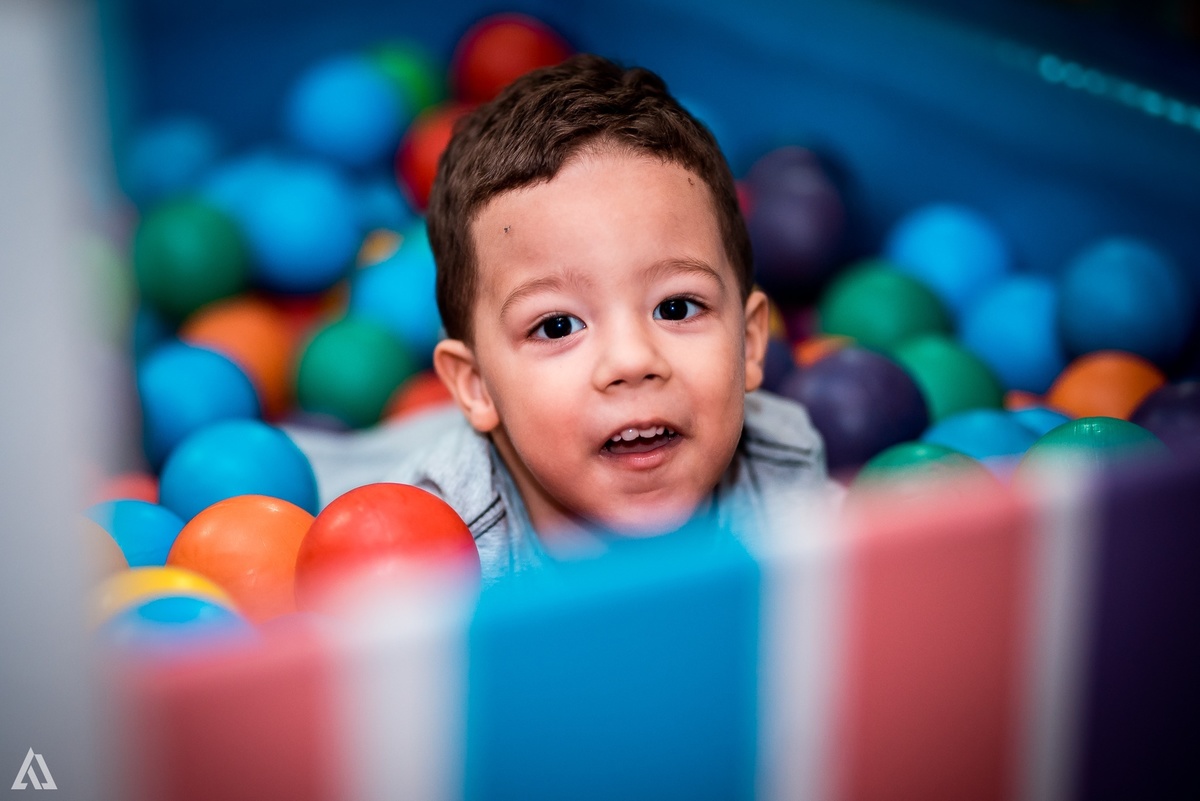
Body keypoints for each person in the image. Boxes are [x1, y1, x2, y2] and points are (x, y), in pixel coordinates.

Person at [290, 53, 833, 582]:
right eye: (557, 326)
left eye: (675, 308)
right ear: (476, 385)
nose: (632, 360)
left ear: (749, 342)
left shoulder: (786, 475)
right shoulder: (442, 553)